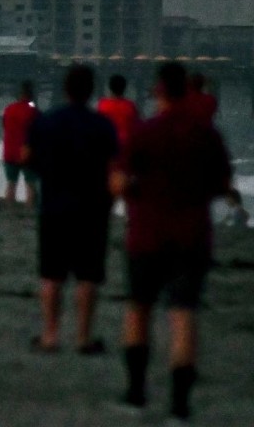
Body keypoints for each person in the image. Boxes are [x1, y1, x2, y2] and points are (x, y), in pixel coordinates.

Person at [114, 62, 232, 421]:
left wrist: (136, 193)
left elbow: (118, 183)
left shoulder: (144, 132)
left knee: (139, 308)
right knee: (183, 315)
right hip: (192, 235)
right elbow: (222, 187)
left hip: (147, 234)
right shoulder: (207, 136)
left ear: (158, 90)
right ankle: (180, 404)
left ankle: (136, 392)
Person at [26, 64, 118, 355]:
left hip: (54, 204)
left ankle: (51, 335)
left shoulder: (46, 122)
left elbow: (26, 157)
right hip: (92, 208)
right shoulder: (103, 125)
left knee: (52, 274)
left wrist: (45, 171)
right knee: (88, 276)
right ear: (92, 91)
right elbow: (114, 169)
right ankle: (83, 337)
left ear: (64, 89)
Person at [2, 81, 40, 208]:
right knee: (30, 184)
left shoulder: (9, 109)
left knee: (11, 183)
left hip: (9, 152)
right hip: (26, 152)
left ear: (19, 94)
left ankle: (9, 208)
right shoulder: (32, 110)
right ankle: (29, 208)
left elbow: (4, 125)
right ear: (31, 95)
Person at [96, 74, 141, 162]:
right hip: (126, 147)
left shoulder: (103, 105)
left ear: (110, 88)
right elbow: (136, 127)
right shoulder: (130, 106)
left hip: (107, 147)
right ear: (124, 88)